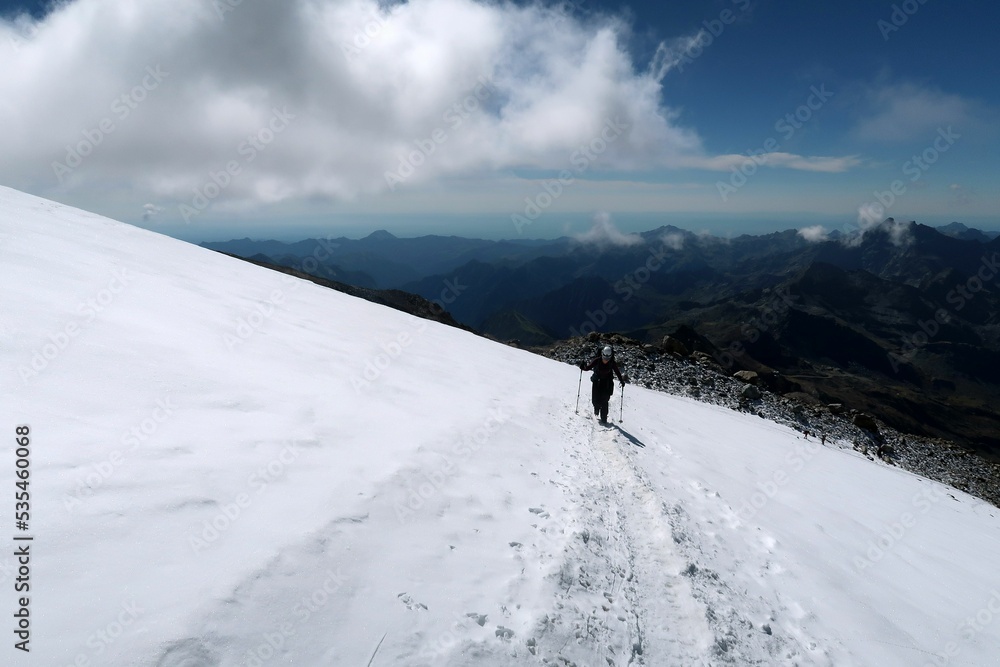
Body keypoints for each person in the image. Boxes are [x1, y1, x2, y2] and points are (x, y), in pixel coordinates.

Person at [580, 345, 627, 424]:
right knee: (595, 399)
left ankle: (604, 418)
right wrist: (583, 367)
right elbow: (588, 367)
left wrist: (621, 380)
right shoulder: (597, 360)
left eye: (607, 358)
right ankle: (596, 408)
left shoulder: (611, 362)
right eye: (605, 358)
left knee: (605, 400)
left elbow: (617, 372)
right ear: (602, 355)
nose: (606, 360)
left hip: (606, 383)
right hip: (597, 382)